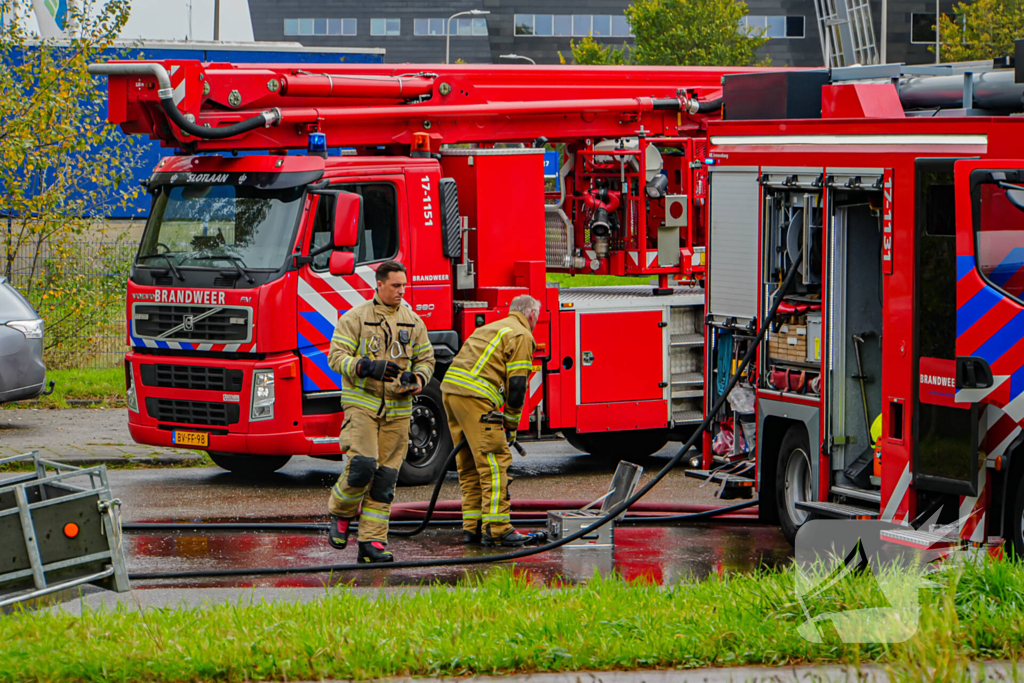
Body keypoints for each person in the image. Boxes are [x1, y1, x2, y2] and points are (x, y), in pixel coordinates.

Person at [325, 260, 435, 563]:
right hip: (362, 405)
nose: (402, 291)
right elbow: (336, 358)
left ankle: (371, 542)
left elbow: (427, 360)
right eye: (396, 285)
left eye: (404, 285)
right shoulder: (356, 318)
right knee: (362, 466)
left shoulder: (414, 321)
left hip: (399, 411)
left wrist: (419, 379)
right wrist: (365, 366)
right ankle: (341, 513)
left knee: (386, 478)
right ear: (380, 285)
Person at [441, 294, 546, 547]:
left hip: (451, 393)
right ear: (531, 314)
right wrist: (511, 426)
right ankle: (498, 527)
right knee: (494, 462)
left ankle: (474, 526)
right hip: (476, 398)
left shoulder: (492, 327)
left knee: (468, 464)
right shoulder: (521, 335)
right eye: (537, 317)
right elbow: (518, 386)